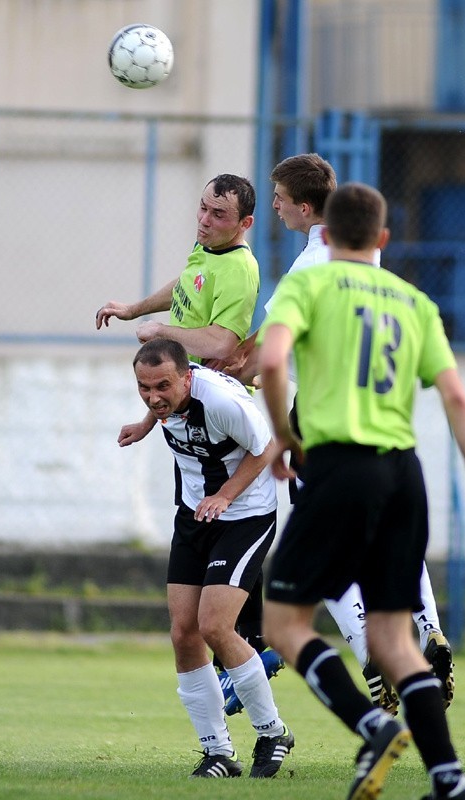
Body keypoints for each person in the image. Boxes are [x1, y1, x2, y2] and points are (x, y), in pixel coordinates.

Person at [258, 183, 465, 800]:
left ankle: (372, 727)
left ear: (327, 234)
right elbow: (456, 399)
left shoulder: (308, 284)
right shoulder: (414, 302)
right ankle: (450, 782)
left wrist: (286, 437)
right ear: (384, 240)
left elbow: (273, 356)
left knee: (284, 623)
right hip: (405, 474)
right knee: (397, 643)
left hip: (339, 466)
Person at [215, 154, 454, 716]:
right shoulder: (382, 273)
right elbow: (454, 393)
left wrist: (242, 382)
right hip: (390, 431)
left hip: (324, 419)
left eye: (277, 196)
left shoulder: (312, 270)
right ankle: (428, 633)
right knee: (396, 544)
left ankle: (372, 661)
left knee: (317, 562)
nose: (271, 205)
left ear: (305, 207)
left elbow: (267, 354)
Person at [95, 173, 283, 689]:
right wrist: (134, 309)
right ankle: (253, 648)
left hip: (215, 405)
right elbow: (185, 288)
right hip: (185, 405)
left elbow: (221, 344)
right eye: (202, 209)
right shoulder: (205, 250)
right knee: (201, 507)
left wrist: (162, 332)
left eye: (218, 215)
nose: (204, 220)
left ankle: (249, 654)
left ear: (244, 223)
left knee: (225, 508)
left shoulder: (241, 268)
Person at [130, 338, 294, 778]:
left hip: (245, 517)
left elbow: (265, 449)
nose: (153, 396)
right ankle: (218, 752)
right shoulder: (165, 397)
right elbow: (162, 400)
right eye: (144, 388)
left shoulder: (221, 402)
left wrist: (224, 494)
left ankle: (272, 731)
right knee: (184, 632)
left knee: (214, 626)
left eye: (162, 386)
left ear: (188, 377)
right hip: (193, 515)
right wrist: (147, 422)